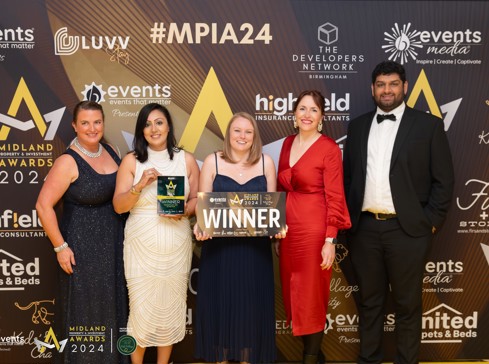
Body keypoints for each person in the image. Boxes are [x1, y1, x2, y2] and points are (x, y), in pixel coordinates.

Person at [343, 60, 454, 364]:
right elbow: (349, 177)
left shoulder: (428, 125)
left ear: (405, 87)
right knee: (369, 304)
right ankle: (370, 360)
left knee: (407, 306)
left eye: (393, 84)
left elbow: (444, 181)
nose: (387, 90)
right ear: (372, 89)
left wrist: (429, 223)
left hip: (408, 231)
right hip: (364, 230)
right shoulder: (358, 126)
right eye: (381, 84)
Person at [35, 101, 129, 364]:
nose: (92, 128)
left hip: (112, 246)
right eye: (85, 123)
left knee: (111, 309)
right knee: (84, 314)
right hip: (81, 250)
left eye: (97, 122)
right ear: (74, 126)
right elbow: (43, 206)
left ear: (103, 124)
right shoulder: (68, 161)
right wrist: (60, 247)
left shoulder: (111, 150)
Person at [113, 103, 199, 364]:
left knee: (170, 307)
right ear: (142, 129)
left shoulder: (186, 159)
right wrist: (140, 185)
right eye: (148, 124)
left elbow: (197, 199)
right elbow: (119, 206)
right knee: (141, 310)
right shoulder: (132, 160)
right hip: (141, 244)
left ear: (168, 126)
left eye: (159, 122)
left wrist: (184, 211)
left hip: (175, 243)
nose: (154, 129)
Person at [193, 112, 282, 364]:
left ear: (254, 137)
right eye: (237, 131)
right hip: (219, 254)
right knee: (221, 308)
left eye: (248, 132)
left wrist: (277, 232)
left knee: (250, 312)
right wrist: (201, 226)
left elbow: (271, 210)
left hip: (255, 254)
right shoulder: (213, 162)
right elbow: (203, 210)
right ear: (228, 135)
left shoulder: (266, 163)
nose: (242, 136)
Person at [277, 90, 351, 364]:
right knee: (294, 294)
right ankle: (315, 355)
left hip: (315, 231)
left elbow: (335, 197)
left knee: (312, 297)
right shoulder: (286, 144)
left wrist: (330, 240)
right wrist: (276, 228)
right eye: (302, 109)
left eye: (314, 110)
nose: (307, 115)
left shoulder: (329, 148)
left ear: (322, 117)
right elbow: (279, 192)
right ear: (294, 114)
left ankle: (309, 359)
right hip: (288, 232)